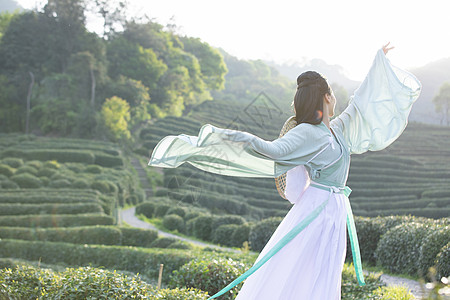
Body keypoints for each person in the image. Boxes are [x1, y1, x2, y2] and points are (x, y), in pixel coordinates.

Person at [148, 43, 421, 300]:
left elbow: (360, 103)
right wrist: (227, 136)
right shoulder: (307, 132)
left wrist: (379, 63)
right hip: (316, 209)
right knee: (299, 268)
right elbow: (274, 150)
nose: (337, 97)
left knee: (324, 271)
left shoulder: (337, 129)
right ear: (327, 97)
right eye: (333, 93)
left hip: (335, 209)